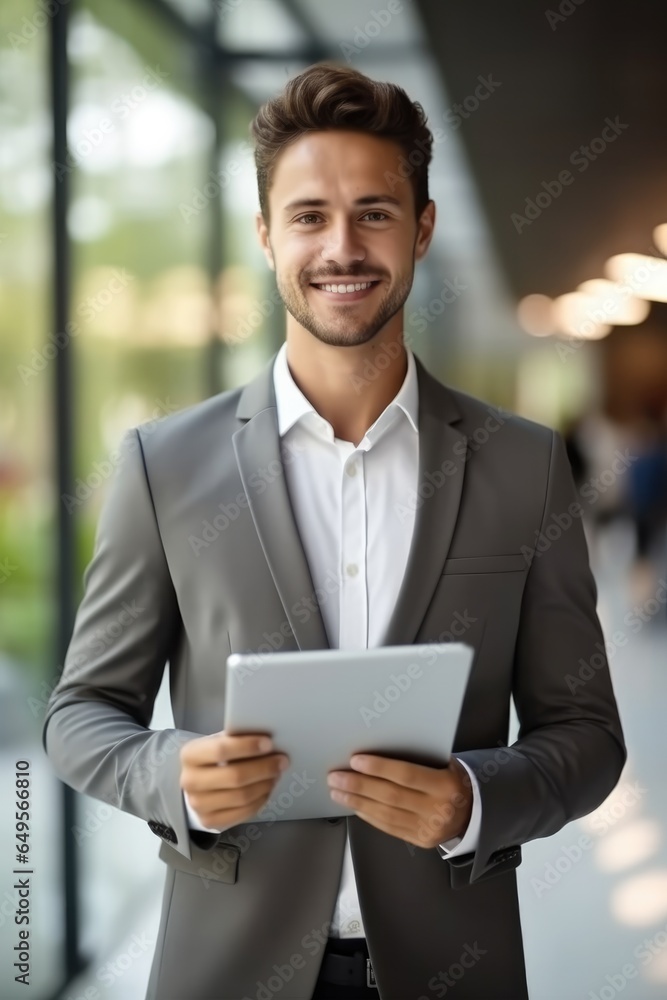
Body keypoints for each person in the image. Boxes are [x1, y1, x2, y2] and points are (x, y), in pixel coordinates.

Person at [43, 62, 626, 1000]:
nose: (341, 247)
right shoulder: (166, 465)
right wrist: (177, 778)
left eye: (375, 212)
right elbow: (78, 716)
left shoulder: (523, 464)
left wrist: (476, 800)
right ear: (267, 234)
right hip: (226, 968)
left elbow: (588, 736)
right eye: (309, 215)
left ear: (422, 228)